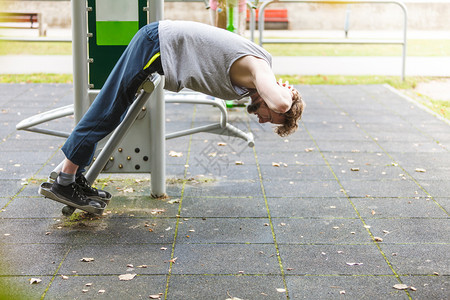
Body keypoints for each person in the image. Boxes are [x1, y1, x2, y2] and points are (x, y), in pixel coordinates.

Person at [49, 20, 305, 208]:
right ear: (273, 100)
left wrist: (284, 98)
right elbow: (282, 104)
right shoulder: (261, 69)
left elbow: (279, 103)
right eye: (268, 117)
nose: (261, 119)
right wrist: (286, 96)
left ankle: (73, 176)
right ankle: (65, 182)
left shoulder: (255, 78)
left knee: (111, 110)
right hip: (156, 45)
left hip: (157, 43)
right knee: (108, 112)